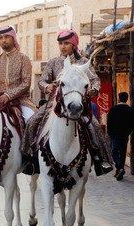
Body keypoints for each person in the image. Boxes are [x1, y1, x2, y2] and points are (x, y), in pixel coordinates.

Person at [22, 29, 113, 176]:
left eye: (66, 43)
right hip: (54, 104)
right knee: (32, 121)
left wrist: (94, 90)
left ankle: (100, 159)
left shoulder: (84, 62)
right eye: (61, 43)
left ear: (74, 44)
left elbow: (95, 79)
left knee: (94, 126)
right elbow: (42, 80)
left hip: (79, 104)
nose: (63, 46)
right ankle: (29, 158)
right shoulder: (53, 63)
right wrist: (46, 86)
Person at [0, 25, 37, 122]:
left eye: (6, 37)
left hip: (21, 100)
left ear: (13, 38)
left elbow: (26, 83)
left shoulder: (23, 59)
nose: (3, 40)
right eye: (1, 38)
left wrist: (8, 95)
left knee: (31, 120)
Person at [107, 92, 134, 181]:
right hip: (125, 134)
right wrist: (128, 131)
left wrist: (109, 132)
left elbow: (109, 122)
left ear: (119, 98)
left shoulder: (114, 109)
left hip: (115, 134)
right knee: (123, 152)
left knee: (114, 151)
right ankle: (120, 170)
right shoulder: (130, 110)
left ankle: (119, 167)